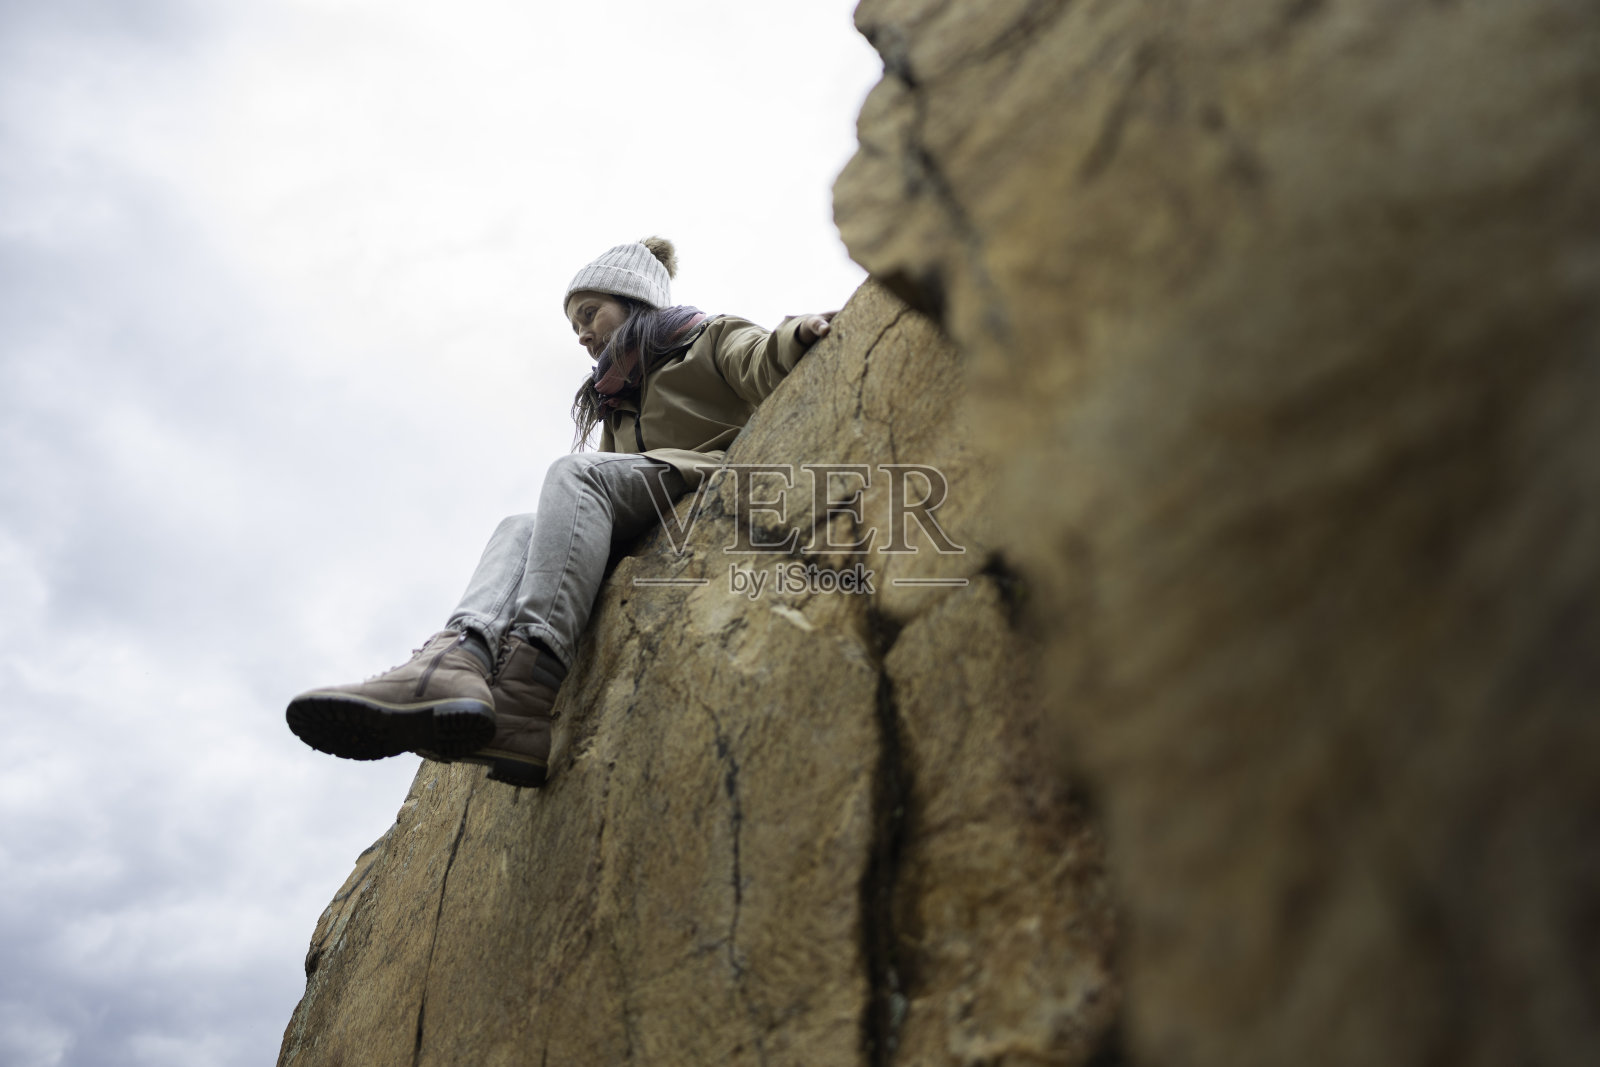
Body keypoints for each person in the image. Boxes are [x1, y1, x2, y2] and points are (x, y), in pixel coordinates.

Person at [286, 237, 836, 787]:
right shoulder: (618, 402)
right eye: (575, 325)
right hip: (647, 500)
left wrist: (797, 333)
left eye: (590, 314)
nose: (582, 334)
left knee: (573, 471)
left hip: (705, 474)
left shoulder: (706, 336)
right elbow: (593, 505)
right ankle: (459, 659)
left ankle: (527, 683)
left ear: (635, 301)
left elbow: (759, 359)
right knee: (517, 526)